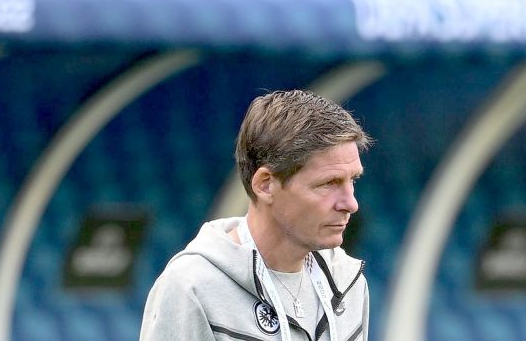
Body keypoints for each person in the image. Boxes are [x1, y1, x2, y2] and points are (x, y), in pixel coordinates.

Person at [141, 89, 372, 341]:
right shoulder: (192, 287)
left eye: (353, 181)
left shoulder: (348, 282)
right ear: (264, 184)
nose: (351, 203)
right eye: (328, 183)